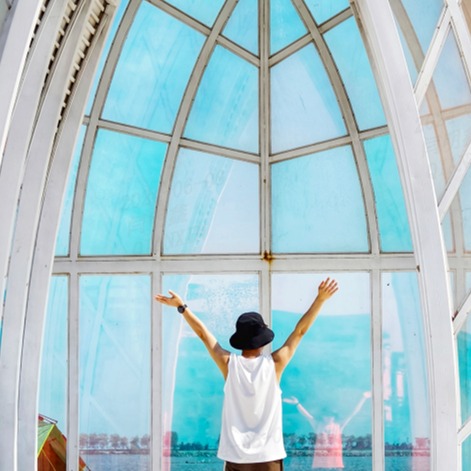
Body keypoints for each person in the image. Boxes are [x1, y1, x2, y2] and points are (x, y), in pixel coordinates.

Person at [154, 277, 338, 471]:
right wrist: (320, 300)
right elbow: (299, 332)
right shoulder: (275, 364)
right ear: (263, 340)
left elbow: (203, 334)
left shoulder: (228, 364)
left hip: (236, 458)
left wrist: (182, 307)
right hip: (269, 457)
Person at [283, 392, 371, 469]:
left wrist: (363, 398)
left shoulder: (338, 426)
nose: (328, 417)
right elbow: (307, 415)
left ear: (334, 416)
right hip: (319, 465)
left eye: (331, 415)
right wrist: (297, 404)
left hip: (336, 464)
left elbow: (352, 413)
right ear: (322, 416)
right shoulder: (318, 425)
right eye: (326, 415)